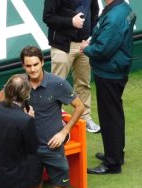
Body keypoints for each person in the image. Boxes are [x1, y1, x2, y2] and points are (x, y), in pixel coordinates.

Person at [0, 46, 84, 188]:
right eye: (28, 66)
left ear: (42, 63)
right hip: (28, 150)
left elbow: (79, 107)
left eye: (35, 64)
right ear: (23, 66)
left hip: (54, 149)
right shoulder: (18, 83)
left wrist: (64, 131)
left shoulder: (57, 83)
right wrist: (19, 111)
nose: (32, 69)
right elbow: (0, 102)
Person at [81, 0, 136, 174]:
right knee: (114, 114)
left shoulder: (114, 17)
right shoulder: (123, 8)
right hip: (116, 69)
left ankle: (112, 163)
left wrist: (87, 48)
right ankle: (115, 154)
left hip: (109, 72)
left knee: (110, 116)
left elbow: (103, 49)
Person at [43, 0, 101, 133]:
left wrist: (89, 34)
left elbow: (94, 10)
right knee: (56, 85)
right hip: (62, 45)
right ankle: (53, 121)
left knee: (84, 83)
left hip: (84, 44)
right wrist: (71, 22)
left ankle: (85, 118)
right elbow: (48, 17)